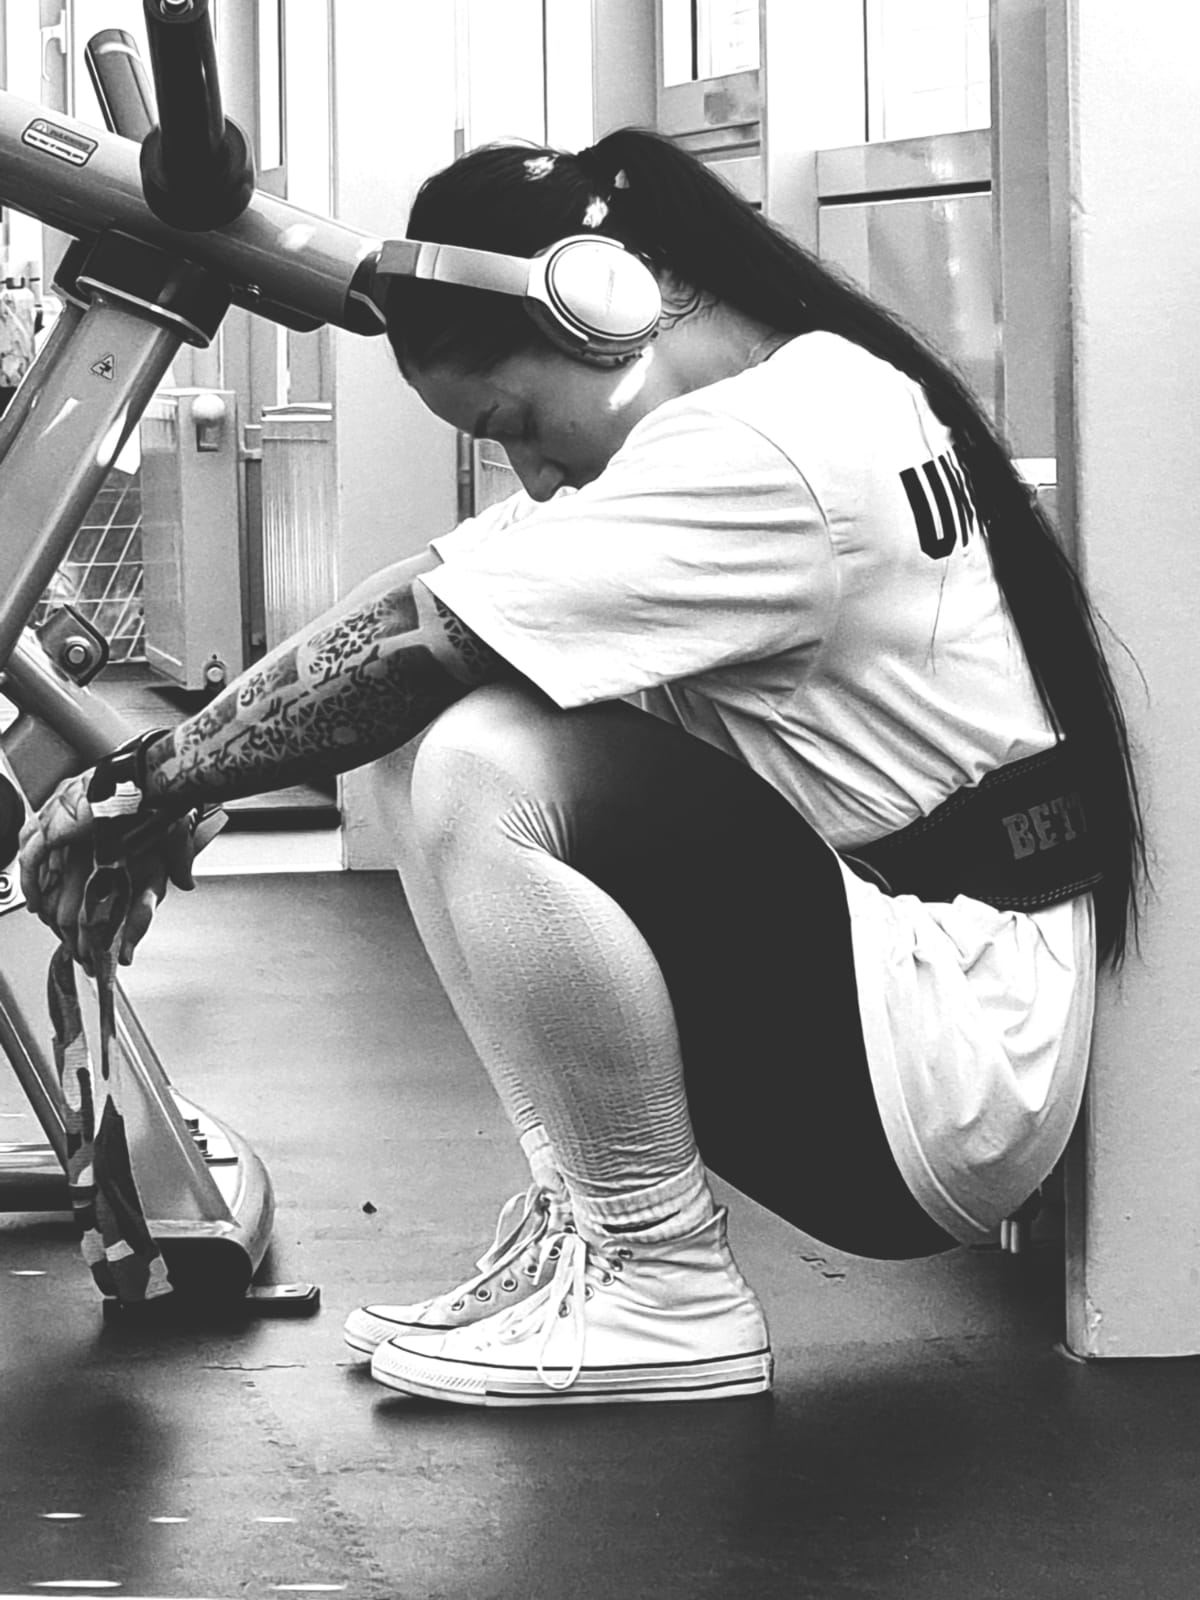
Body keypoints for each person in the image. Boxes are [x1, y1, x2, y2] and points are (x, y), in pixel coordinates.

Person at [19, 128, 1146, 1408]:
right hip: (920, 1004)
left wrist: (147, 785)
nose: (534, 471)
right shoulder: (793, 394)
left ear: (597, 304)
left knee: (478, 761)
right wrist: (176, 773)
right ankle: (594, 1228)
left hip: (941, 1066)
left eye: (513, 423)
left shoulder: (763, 451)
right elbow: (418, 594)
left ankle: (662, 1280)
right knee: (416, 744)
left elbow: (411, 641)